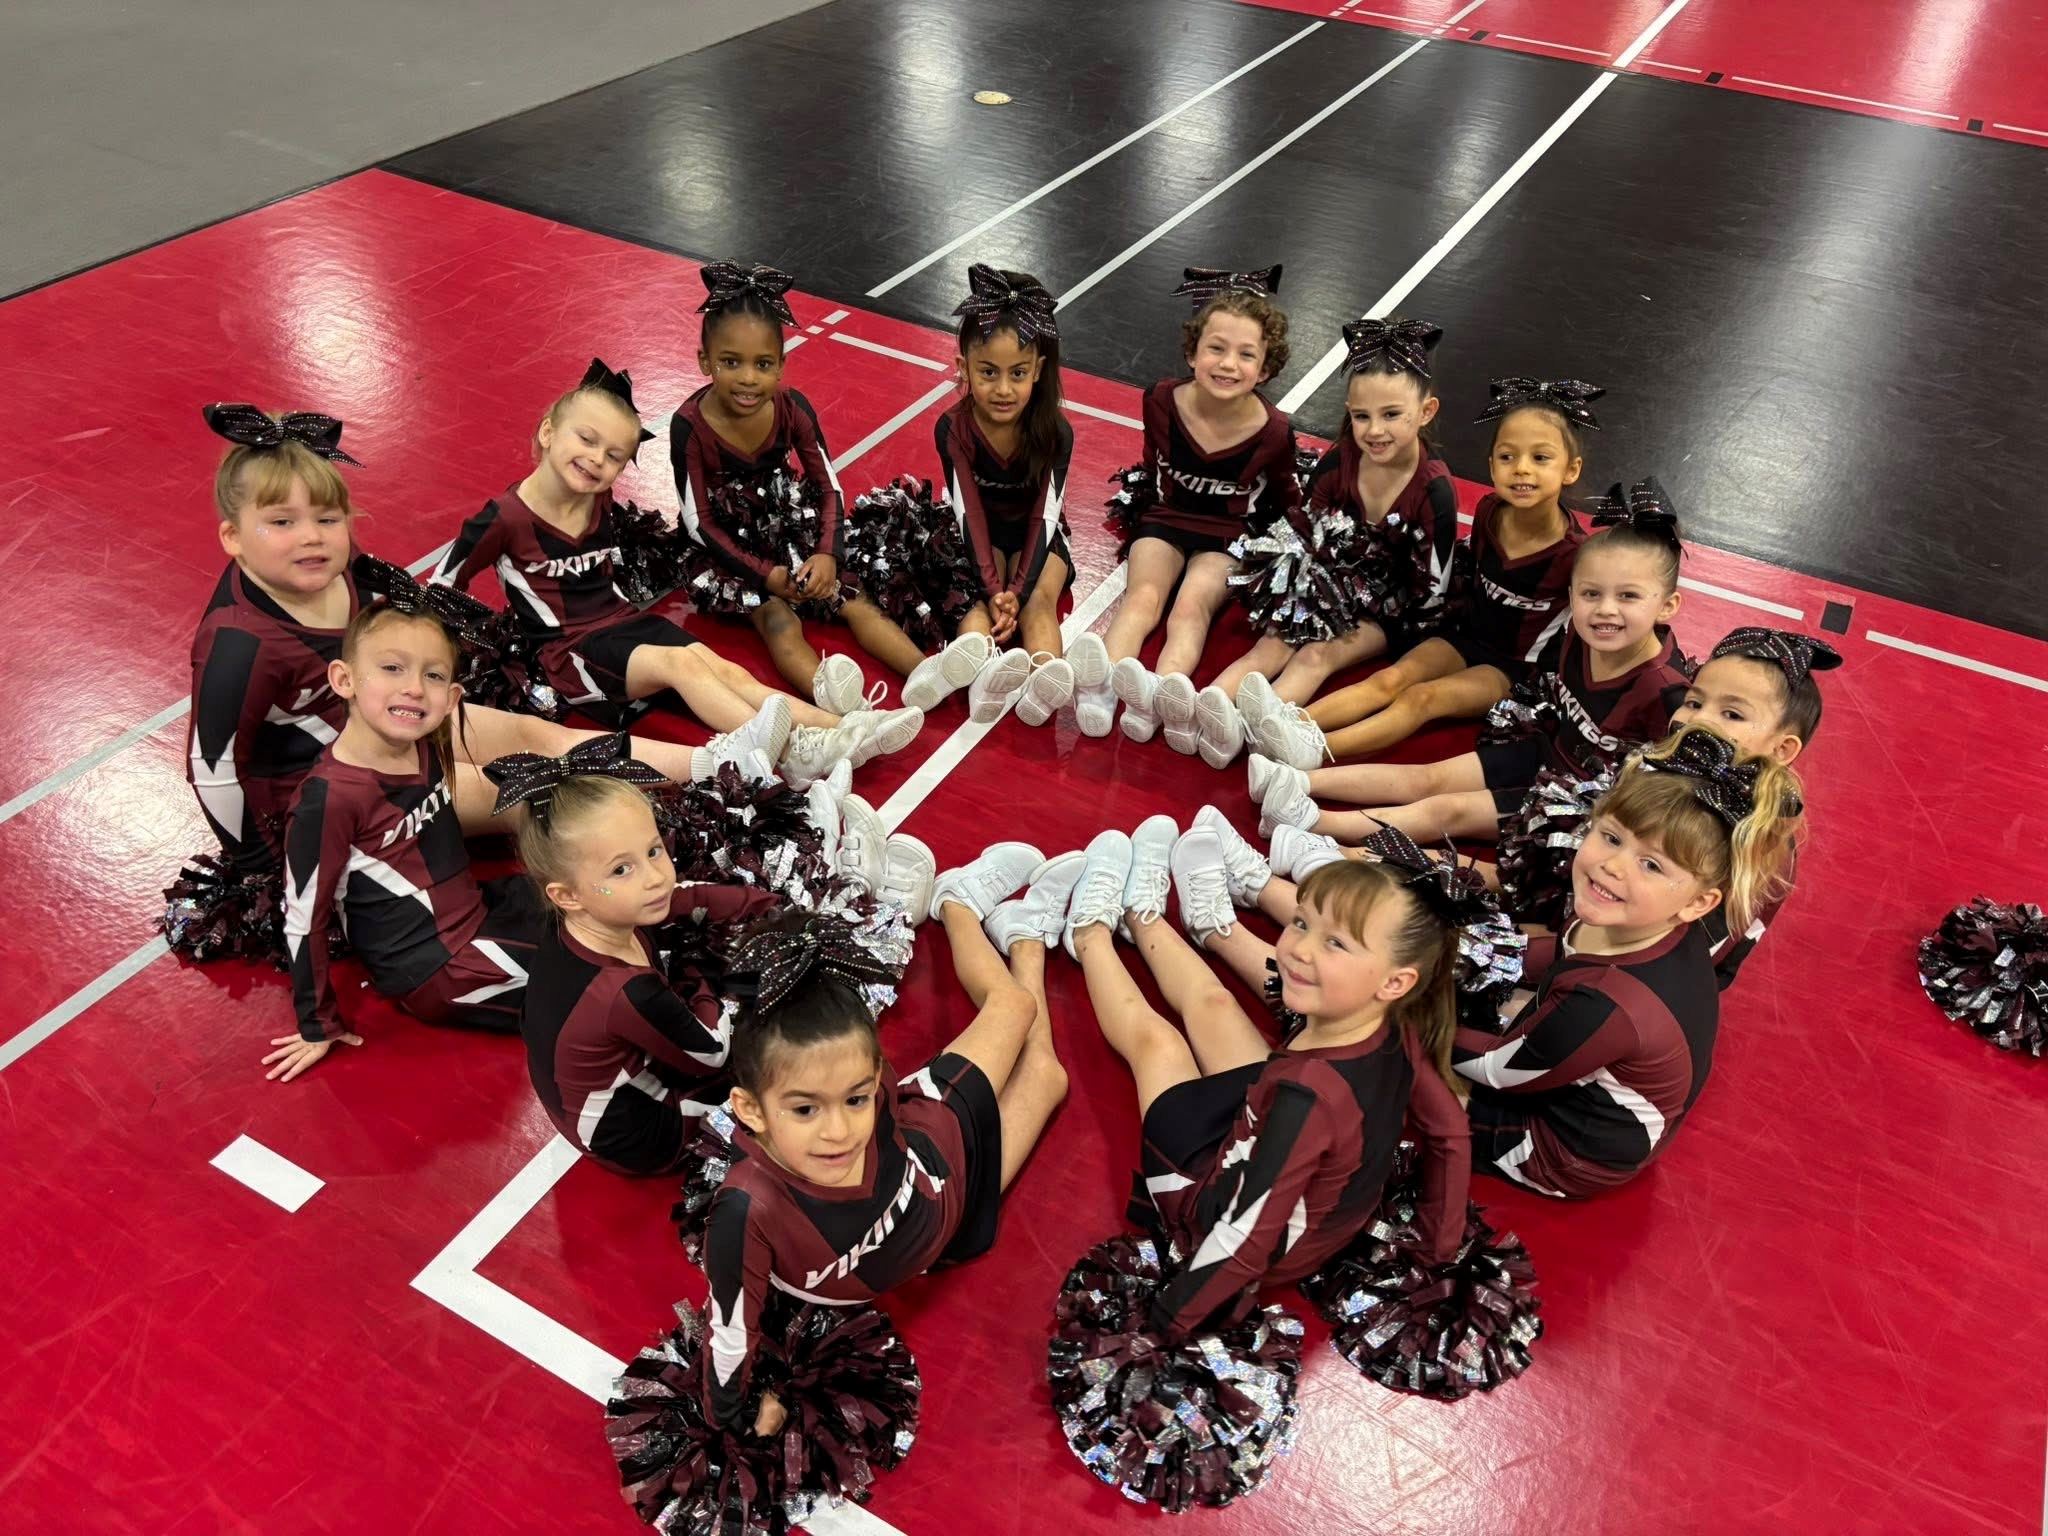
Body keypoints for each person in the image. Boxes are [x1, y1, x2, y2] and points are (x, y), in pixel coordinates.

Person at [171, 403, 761, 962]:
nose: (310, 537)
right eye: (281, 522)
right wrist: (264, 869)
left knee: (539, 735)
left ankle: (728, 766)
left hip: (396, 725)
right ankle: (699, 867)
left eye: (326, 519)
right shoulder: (237, 646)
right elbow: (211, 765)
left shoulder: (343, 567)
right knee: (535, 793)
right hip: (350, 787)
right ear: (233, 538)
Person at [698, 853, 1068, 1437]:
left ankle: (962, 905)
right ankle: (1025, 937)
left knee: (1017, 1008)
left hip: (941, 1144)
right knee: (1048, 1077)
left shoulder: (876, 1088)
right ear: (751, 1109)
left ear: (875, 1077)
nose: (839, 1131)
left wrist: (872, 1097)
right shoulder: (747, 1208)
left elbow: (876, 1101)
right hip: (959, 1216)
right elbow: (729, 1333)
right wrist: (738, 1422)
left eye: (855, 1098)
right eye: (803, 1109)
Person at [1056, 819, 1471, 1337]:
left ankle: (1089, 933)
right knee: (1216, 1003)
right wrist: (1439, 1252)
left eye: (1335, 944)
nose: (1298, 948)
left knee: (1156, 1045)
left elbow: (1246, 1238)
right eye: (1301, 922)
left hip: (1204, 1199)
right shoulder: (1396, 1020)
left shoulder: (1306, 1101)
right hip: (1289, 1177)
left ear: (1394, 980)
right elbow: (1449, 1132)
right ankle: (1145, 919)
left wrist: (1162, 1327)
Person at [433, 358, 919, 788]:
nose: (597, 460)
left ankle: (847, 730)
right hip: (570, 652)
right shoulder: (502, 518)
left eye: (614, 456)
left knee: (722, 669)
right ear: (547, 432)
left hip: (624, 622)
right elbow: (441, 587)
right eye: (586, 439)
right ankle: (792, 756)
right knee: (681, 666)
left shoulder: (594, 492)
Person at [1453, 727, 1800, 1196]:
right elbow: (1560, 952)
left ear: (1699, 904)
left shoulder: (1606, 1003)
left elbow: (1498, 1071)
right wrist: (1461, 950)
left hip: (1564, 1152)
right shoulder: (1635, 918)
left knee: (1390, 1057)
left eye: (1652, 865)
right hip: (1583, 1062)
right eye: (1612, 837)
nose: (1613, 866)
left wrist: (1404, 1019)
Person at [1256, 477, 1689, 843]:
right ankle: (1297, 777)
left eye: (1628, 596)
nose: (1606, 610)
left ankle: (1315, 826)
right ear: (1571, 595)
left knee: (1446, 810)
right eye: (1592, 594)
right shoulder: (1578, 632)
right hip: (1548, 752)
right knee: (1429, 777)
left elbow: (1671, 794)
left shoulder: (1668, 692)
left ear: (1668, 605)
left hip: (1580, 806)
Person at [669, 261, 991, 714]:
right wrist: (767, 576)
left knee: (853, 599)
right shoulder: (688, 426)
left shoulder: (793, 408)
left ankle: (927, 674)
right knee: (778, 620)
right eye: (730, 362)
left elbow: (828, 489)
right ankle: (845, 709)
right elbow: (698, 523)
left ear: (781, 365)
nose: (747, 378)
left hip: (786, 527)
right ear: (705, 361)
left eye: (762, 364)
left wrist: (826, 553)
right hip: (729, 552)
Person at [267, 605, 548, 1082]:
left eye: (433, 675)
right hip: (437, 969)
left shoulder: (425, 741)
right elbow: (302, 915)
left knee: (600, 905)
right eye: (392, 668)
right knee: (595, 973)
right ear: (344, 679)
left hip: (481, 911)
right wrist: (317, 1025)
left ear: (453, 696)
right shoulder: (328, 800)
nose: (414, 687)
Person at [498, 747, 790, 1175]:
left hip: (613, 1084)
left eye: (654, 851)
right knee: (780, 1049)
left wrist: (774, 908)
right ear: (567, 895)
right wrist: (699, 973)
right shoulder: (623, 990)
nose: (655, 876)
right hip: (645, 1133)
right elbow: (711, 1053)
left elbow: (688, 896)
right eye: (622, 870)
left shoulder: (586, 916)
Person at [1298, 377, 1603, 760]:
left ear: (1571, 469)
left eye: (1540, 459)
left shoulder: (1577, 556)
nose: (1522, 470)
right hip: (1464, 636)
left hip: (1512, 669)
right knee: (1389, 680)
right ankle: (1290, 725)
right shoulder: (1490, 512)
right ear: (1491, 466)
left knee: (1421, 699)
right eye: (1508, 457)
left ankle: (1308, 752)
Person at [1217, 317, 1460, 770]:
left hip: (1390, 606)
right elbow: (1303, 533)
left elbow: (1433, 590)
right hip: (1330, 580)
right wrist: (1303, 591)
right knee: (1274, 641)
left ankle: (1247, 735)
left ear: (1425, 412)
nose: (1374, 430)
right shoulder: (1338, 462)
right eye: (1361, 416)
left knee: (1317, 654)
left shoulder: (1435, 491)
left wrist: (1403, 633)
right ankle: (1208, 710)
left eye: (1391, 415)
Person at [1103, 267, 1298, 759]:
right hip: (1166, 518)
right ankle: (1101, 687)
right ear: (1192, 352)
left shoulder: (1273, 431)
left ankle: (1159, 697)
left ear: (1266, 368)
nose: (1228, 363)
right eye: (1216, 348)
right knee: (1143, 597)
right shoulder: (1161, 400)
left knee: (1191, 606)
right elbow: (1154, 463)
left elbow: (1284, 498)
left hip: (1226, 536)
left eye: (1246, 354)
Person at [937, 264, 1114, 731]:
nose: (1003, 388)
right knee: (976, 601)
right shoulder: (953, 428)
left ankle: (1043, 684)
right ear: (963, 369)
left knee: (1037, 602)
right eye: (988, 372)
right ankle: (978, 674)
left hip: (1041, 538)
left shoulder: (1055, 431)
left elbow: (1046, 515)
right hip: (981, 536)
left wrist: (1016, 590)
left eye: (1018, 373)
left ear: (1038, 371)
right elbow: (968, 512)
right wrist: (995, 588)